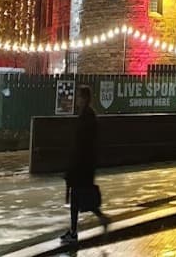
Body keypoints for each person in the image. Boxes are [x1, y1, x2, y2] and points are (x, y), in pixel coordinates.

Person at [61, 85, 110, 245]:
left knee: (78, 198)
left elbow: (81, 144)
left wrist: (72, 166)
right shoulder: (88, 116)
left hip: (81, 166)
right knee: (82, 198)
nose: (77, 101)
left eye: (79, 97)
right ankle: (99, 219)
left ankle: (74, 233)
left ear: (85, 99)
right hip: (84, 165)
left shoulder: (86, 118)